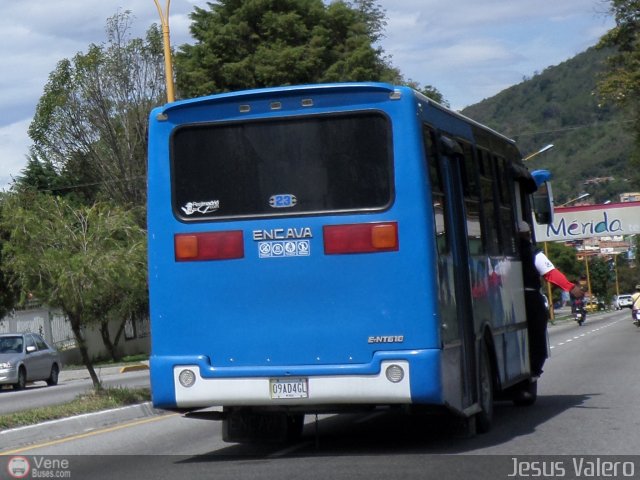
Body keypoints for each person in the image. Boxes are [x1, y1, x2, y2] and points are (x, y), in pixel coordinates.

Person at [518, 220, 584, 377]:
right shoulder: (532, 252)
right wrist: (571, 287)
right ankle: (535, 368)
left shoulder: (502, 252)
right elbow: (550, 273)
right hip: (529, 297)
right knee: (538, 331)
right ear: (528, 235)